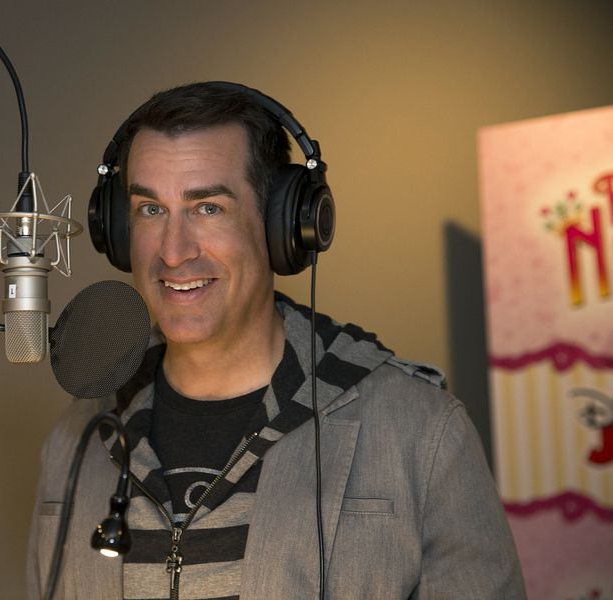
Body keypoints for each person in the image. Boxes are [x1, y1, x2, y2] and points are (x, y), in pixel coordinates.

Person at [26, 82, 525, 599]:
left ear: (283, 225)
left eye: (208, 208)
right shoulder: (79, 436)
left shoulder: (421, 431)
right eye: (150, 210)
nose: (173, 253)